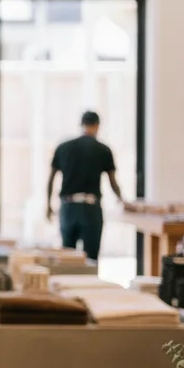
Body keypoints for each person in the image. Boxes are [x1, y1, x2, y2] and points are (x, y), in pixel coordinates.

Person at [46, 110, 126, 262]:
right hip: (91, 208)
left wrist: (48, 205)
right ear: (97, 126)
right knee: (91, 260)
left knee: (67, 258)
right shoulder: (103, 149)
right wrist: (122, 200)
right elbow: (112, 182)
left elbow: (51, 179)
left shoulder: (63, 147)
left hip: (68, 206)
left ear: (81, 124)